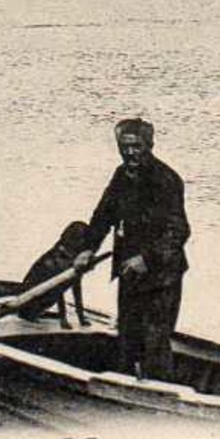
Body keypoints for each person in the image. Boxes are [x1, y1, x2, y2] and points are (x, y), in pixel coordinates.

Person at [80, 117, 189, 381]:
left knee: (155, 341)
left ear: (149, 145)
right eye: (124, 146)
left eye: (137, 146)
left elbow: (179, 231)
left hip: (161, 277)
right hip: (130, 273)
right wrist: (87, 249)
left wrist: (147, 258)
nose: (130, 152)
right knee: (127, 338)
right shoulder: (121, 175)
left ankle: (159, 397)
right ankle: (126, 390)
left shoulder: (166, 179)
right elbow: (103, 216)